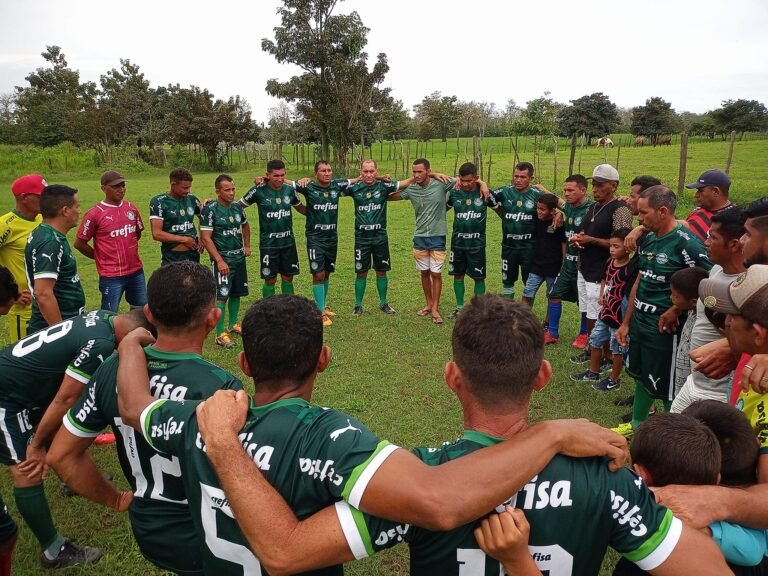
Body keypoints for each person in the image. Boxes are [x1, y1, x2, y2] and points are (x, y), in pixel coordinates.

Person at [192, 296, 727, 576]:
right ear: (542, 378)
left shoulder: (412, 479)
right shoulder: (609, 477)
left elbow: (288, 550)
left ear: (452, 377)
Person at [47, 262, 243, 575]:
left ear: (149, 314)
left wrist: (116, 500)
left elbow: (60, 455)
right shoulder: (220, 387)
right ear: (213, 317)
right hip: (207, 533)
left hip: (150, 527)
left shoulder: (113, 369)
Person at [0, 308, 151, 569]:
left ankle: (70, 480)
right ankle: (53, 549)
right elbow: (66, 398)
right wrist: (35, 444)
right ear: (128, 334)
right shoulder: (101, 343)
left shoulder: (103, 317)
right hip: (6, 397)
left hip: (21, 385)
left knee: (58, 430)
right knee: (28, 470)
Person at [613, 186, 712, 437]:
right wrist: (626, 322)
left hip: (666, 328)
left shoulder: (687, 244)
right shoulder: (646, 238)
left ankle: (669, 435)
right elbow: (640, 281)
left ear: (663, 211)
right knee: (641, 377)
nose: (639, 218)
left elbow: (708, 281)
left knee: (667, 386)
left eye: (643, 213)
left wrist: (676, 308)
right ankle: (637, 424)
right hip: (641, 322)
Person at [671, 209, 747, 412]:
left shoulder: (748, 287)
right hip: (694, 383)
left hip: (717, 392)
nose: (706, 243)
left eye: (712, 238)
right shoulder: (716, 270)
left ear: (733, 244)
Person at [391, 158, 476, 325]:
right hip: (420, 237)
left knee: (436, 273)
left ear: (428, 171)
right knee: (424, 272)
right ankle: (429, 304)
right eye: (414, 172)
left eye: (420, 171)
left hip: (438, 236)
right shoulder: (411, 189)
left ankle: (436, 308)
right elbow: (390, 196)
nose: (416, 175)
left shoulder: (441, 183)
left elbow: (465, 179)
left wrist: (483, 184)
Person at [570, 164, 633, 356]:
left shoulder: (620, 209)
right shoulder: (594, 206)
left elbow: (622, 245)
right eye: (594, 184)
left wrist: (591, 240)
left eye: (600, 185)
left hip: (603, 270)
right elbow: (588, 231)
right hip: (585, 266)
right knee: (588, 309)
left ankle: (603, 353)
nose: (595, 189)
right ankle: (592, 348)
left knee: (600, 312)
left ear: (613, 186)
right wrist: (580, 239)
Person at [570, 228, 638, 392]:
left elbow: (630, 296)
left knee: (617, 350)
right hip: (605, 312)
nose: (612, 249)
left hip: (618, 317)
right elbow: (604, 279)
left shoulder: (630, 269)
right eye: (611, 246)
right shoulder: (609, 262)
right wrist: (601, 295)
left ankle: (614, 380)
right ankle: (593, 371)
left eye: (617, 246)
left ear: (628, 248)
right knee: (595, 340)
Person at [74, 170, 146, 312]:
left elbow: (136, 234)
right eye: (116, 186)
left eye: (123, 185)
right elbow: (79, 243)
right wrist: (99, 256)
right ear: (103, 188)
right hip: (111, 275)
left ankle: (136, 334)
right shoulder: (95, 213)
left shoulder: (131, 208)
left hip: (136, 271)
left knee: (140, 310)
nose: (121, 189)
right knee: (108, 314)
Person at [293, 161, 354, 325]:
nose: (327, 173)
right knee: (318, 274)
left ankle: (324, 306)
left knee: (326, 272)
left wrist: (381, 177)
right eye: (323, 171)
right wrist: (262, 179)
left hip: (332, 237)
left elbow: (360, 179)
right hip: (315, 238)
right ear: (316, 174)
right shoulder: (309, 187)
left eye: (329, 170)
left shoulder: (336, 186)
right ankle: (319, 313)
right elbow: (282, 182)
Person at [24, 184, 85, 333]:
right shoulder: (50, 242)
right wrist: (60, 334)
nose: (79, 211)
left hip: (66, 321)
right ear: (65, 211)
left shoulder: (47, 234)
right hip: (53, 328)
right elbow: (43, 293)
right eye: (77, 206)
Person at [200, 174, 251, 348]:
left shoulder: (237, 208)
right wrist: (220, 261)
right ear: (217, 191)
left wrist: (247, 246)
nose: (231, 193)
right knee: (222, 296)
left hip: (239, 257)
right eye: (227, 190)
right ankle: (220, 333)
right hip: (224, 258)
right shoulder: (210, 210)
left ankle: (233, 324)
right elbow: (206, 238)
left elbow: (245, 225)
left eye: (233, 189)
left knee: (236, 292)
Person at [239, 160, 303, 298]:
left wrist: (319, 205)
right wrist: (213, 205)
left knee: (288, 277)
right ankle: (269, 309)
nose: (280, 179)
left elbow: (302, 209)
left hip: (288, 243)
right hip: (269, 244)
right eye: (276, 176)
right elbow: (237, 207)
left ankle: (288, 308)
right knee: (270, 279)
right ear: (267, 174)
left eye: (282, 175)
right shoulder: (258, 190)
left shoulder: (289, 190)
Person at [344, 159, 400, 316]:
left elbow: (406, 183)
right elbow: (333, 186)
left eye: (372, 171)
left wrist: (381, 178)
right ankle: (358, 305)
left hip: (380, 237)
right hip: (362, 238)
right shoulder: (354, 188)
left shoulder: (384, 187)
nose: (369, 174)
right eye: (365, 171)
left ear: (376, 170)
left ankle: (383, 303)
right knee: (361, 272)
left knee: (381, 271)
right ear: (361, 172)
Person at [544, 175, 594, 345]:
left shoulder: (592, 209)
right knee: (554, 294)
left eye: (570, 190)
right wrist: (557, 211)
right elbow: (557, 201)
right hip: (567, 264)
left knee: (585, 302)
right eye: (565, 190)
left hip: (584, 265)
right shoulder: (569, 207)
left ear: (583, 190)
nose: (566, 193)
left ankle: (583, 333)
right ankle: (552, 333)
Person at [489, 162, 542, 301]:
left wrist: (559, 215)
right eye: (516, 176)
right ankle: (508, 309)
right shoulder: (505, 191)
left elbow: (552, 209)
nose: (518, 180)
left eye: (523, 177)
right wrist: (498, 210)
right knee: (507, 280)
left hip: (529, 247)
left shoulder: (537, 195)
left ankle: (527, 313)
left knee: (529, 282)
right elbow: (488, 196)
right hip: (509, 246)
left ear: (531, 178)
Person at [0, 174, 44, 341]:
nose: (45, 200)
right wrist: (12, 292)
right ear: (24, 197)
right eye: (41, 196)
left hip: (46, 300)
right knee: (22, 357)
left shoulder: (42, 219)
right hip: (24, 306)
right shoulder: (6, 225)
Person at [446, 162, 491, 319]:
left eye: (469, 180)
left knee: (479, 277)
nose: (465, 184)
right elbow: (443, 208)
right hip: (458, 243)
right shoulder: (454, 193)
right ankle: (459, 308)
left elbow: (501, 207)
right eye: (462, 180)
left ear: (476, 178)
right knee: (458, 275)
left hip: (477, 245)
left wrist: (482, 184)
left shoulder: (484, 193)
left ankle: (479, 310)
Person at [522, 193, 565, 317]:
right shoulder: (536, 218)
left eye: (542, 209)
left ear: (552, 211)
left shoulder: (559, 224)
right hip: (537, 265)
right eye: (537, 208)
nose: (539, 211)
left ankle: (548, 323)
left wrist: (563, 263)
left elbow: (563, 243)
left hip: (554, 266)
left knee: (552, 297)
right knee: (527, 293)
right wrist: (558, 213)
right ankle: (523, 320)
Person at [149, 168, 202, 265]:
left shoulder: (192, 199)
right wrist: (184, 240)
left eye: (189, 187)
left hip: (192, 254)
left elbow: (204, 219)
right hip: (172, 256)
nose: (188, 191)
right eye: (184, 188)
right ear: (173, 184)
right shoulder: (159, 202)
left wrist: (202, 239)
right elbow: (156, 234)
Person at [685, 169, 735, 243]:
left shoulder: (732, 220)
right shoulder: (698, 210)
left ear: (715, 191)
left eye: (701, 190)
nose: (696, 195)